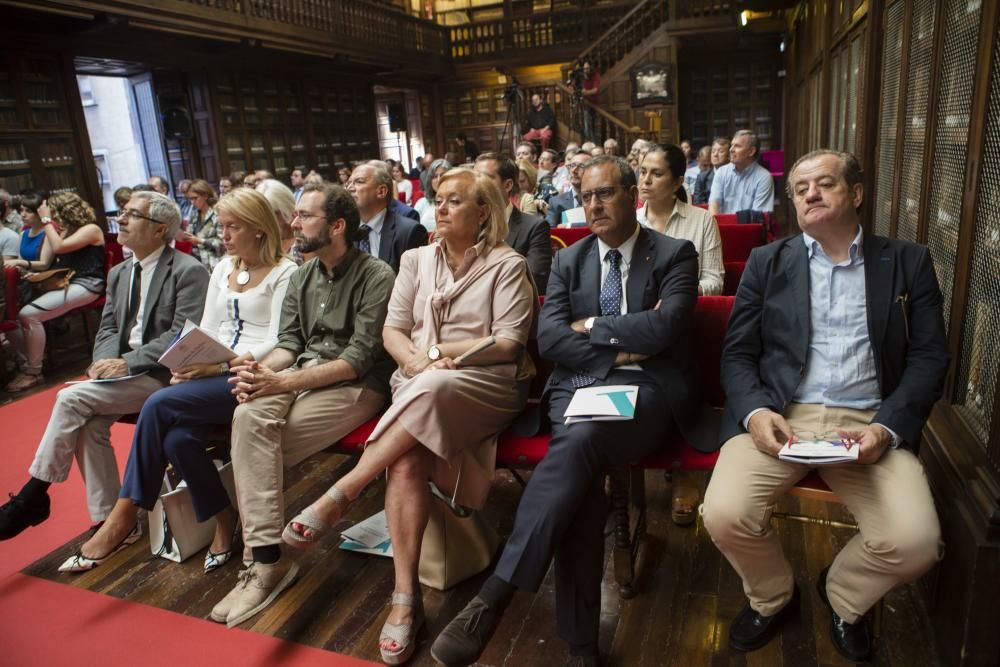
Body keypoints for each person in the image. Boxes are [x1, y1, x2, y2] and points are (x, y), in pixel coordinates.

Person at [432, 156, 714, 666]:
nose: (593, 205)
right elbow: (550, 338)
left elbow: (667, 328)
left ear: (634, 195)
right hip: (575, 391)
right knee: (581, 472)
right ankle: (580, 647)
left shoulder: (676, 253)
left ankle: (497, 597)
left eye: (605, 193)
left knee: (580, 446)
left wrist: (594, 329)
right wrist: (624, 341)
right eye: (585, 196)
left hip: (648, 393)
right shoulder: (570, 260)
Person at [701, 150, 949, 663]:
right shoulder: (769, 263)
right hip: (782, 418)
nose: (810, 194)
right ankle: (771, 596)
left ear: (855, 193)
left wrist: (887, 428)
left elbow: (929, 359)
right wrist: (754, 413)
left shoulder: (907, 262)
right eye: (799, 188)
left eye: (824, 183)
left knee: (917, 542)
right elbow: (739, 353)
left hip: (868, 424)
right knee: (724, 514)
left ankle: (841, 594)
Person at [286, 167, 536, 665]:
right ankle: (405, 598)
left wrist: (440, 353)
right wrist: (417, 360)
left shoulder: (509, 264)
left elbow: (508, 343)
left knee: (437, 383)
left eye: (454, 201)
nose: (439, 208)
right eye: (437, 199)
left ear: (483, 211)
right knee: (406, 461)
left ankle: (344, 491)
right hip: (419, 381)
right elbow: (392, 331)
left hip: (487, 385)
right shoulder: (415, 259)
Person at [63, 188, 296, 573]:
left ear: (258, 229)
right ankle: (223, 519)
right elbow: (205, 327)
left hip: (250, 375)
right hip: (212, 370)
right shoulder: (223, 267)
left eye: (233, 227)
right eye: (222, 226)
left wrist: (220, 366)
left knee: (158, 403)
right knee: (177, 439)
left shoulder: (287, 272)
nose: (224, 235)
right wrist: (187, 360)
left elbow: (277, 337)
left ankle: (123, 516)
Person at [207, 182, 395, 628]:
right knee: (247, 412)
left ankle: (262, 562)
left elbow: (356, 361)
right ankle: (269, 559)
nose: (293, 223)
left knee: (253, 443)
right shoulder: (303, 273)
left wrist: (280, 380)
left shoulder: (376, 275)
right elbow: (290, 343)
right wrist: (259, 371)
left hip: (358, 387)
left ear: (337, 226)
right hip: (301, 375)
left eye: (304, 216)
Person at [0, 191, 208, 541]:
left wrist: (125, 362)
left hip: (165, 376)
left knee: (70, 400)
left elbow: (181, 336)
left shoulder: (189, 271)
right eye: (123, 213)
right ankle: (112, 520)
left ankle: (32, 495)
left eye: (132, 215)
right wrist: (102, 362)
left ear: (160, 230)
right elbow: (109, 326)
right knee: (90, 425)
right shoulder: (121, 272)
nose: (120, 220)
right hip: (125, 375)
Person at [5, 192, 107, 392]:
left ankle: (33, 372)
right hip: (69, 282)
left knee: (28, 314)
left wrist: (45, 221)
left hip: (88, 284)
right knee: (20, 313)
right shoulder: (68, 229)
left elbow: (59, 248)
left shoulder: (91, 229)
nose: (51, 215)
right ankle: (33, 364)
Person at [638, 144, 723, 296]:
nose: (646, 180)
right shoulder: (631, 220)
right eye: (643, 172)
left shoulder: (703, 220)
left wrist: (678, 294)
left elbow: (714, 282)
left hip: (684, 309)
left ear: (677, 182)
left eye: (657, 174)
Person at [475, 153, 551, 293]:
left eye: (485, 178)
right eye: (474, 178)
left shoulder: (534, 227)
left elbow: (534, 280)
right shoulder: (467, 225)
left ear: (508, 185)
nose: (477, 184)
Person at [347, 162, 426, 273]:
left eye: (359, 182)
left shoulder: (408, 232)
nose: (350, 188)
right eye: (348, 183)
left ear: (381, 191)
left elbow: (417, 282)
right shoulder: (345, 231)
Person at [709, 130, 774, 214]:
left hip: (749, 226)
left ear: (751, 151)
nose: (731, 150)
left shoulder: (764, 177)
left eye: (737, 146)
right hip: (721, 225)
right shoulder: (721, 172)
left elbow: (758, 217)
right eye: (732, 145)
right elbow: (714, 206)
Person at [5, 191, 53, 272]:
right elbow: (21, 266)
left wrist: (18, 262)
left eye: (28, 211)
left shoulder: (49, 232)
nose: (23, 214)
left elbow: (44, 264)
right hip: (28, 278)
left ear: (39, 213)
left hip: (47, 278)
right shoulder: (23, 233)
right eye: (21, 210)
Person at [182, 179, 224, 270]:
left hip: (216, 264)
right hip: (198, 262)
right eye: (190, 199)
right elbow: (190, 234)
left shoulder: (218, 213)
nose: (192, 202)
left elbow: (223, 244)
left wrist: (200, 241)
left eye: (195, 198)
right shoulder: (194, 213)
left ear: (205, 196)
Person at [255, 178, 301, 262]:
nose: (264, 222)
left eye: (271, 215)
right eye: (260, 216)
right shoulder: (257, 244)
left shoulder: (304, 242)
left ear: (286, 210)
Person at [546, 151, 591, 227]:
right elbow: (548, 231)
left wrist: (569, 226)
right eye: (572, 165)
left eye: (581, 166)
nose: (574, 170)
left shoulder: (599, 200)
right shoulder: (556, 202)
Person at [414, 158, 451, 232]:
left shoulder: (457, 203)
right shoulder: (422, 203)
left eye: (443, 175)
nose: (439, 180)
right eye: (434, 176)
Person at [693, 137, 730, 206]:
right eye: (713, 151)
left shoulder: (736, 175)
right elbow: (698, 203)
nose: (715, 154)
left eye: (721, 151)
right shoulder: (702, 177)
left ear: (729, 156)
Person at [580, 61, 601, 143]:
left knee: (595, 128)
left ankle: (596, 145)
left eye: (587, 68)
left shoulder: (596, 75)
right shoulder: (582, 76)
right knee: (586, 128)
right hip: (585, 105)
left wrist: (585, 92)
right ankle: (588, 144)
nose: (586, 70)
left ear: (591, 68)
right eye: (584, 69)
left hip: (594, 104)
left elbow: (595, 90)